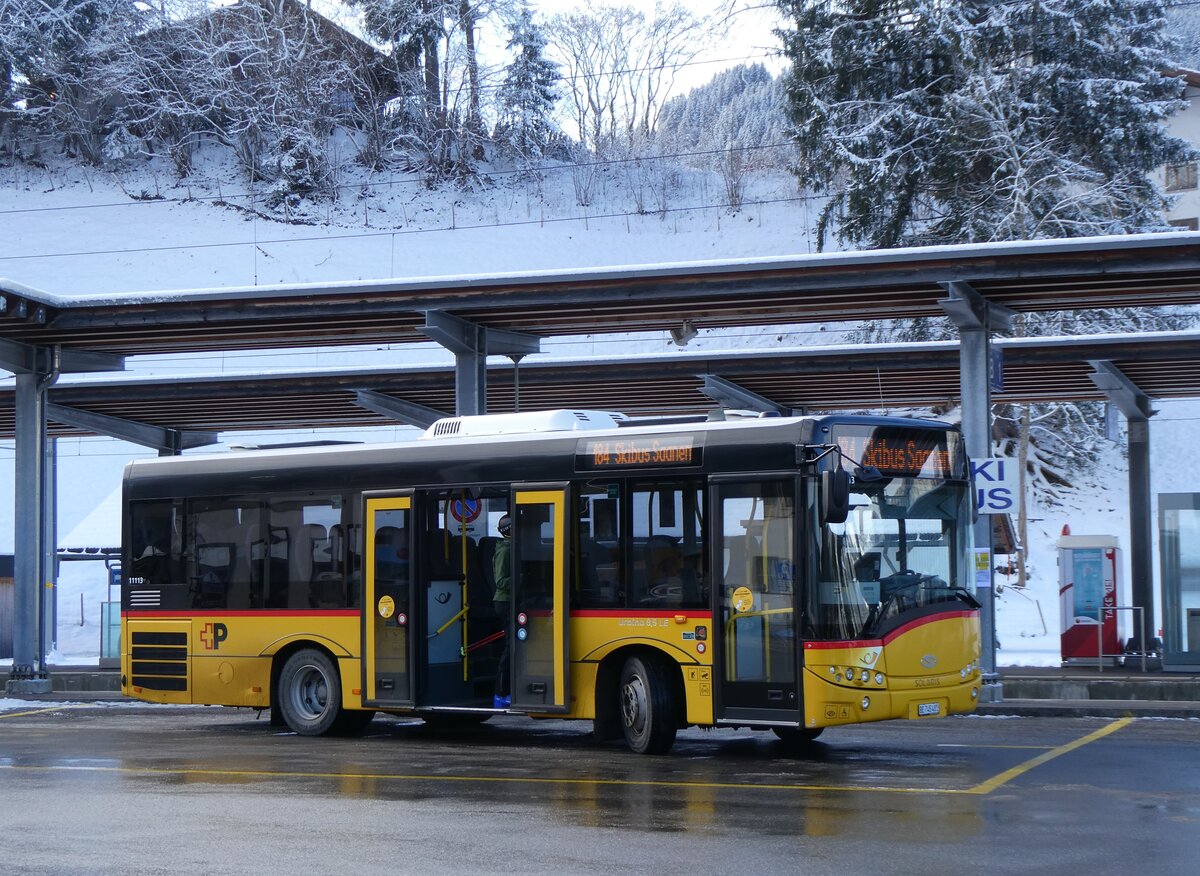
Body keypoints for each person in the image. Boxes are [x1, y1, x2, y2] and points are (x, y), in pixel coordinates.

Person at [492, 514, 513, 709]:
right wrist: (522, 578)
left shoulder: (512, 547)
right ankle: (501, 693)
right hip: (505, 602)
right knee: (511, 646)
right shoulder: (505, 550)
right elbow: (501, 581)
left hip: (512, 601)